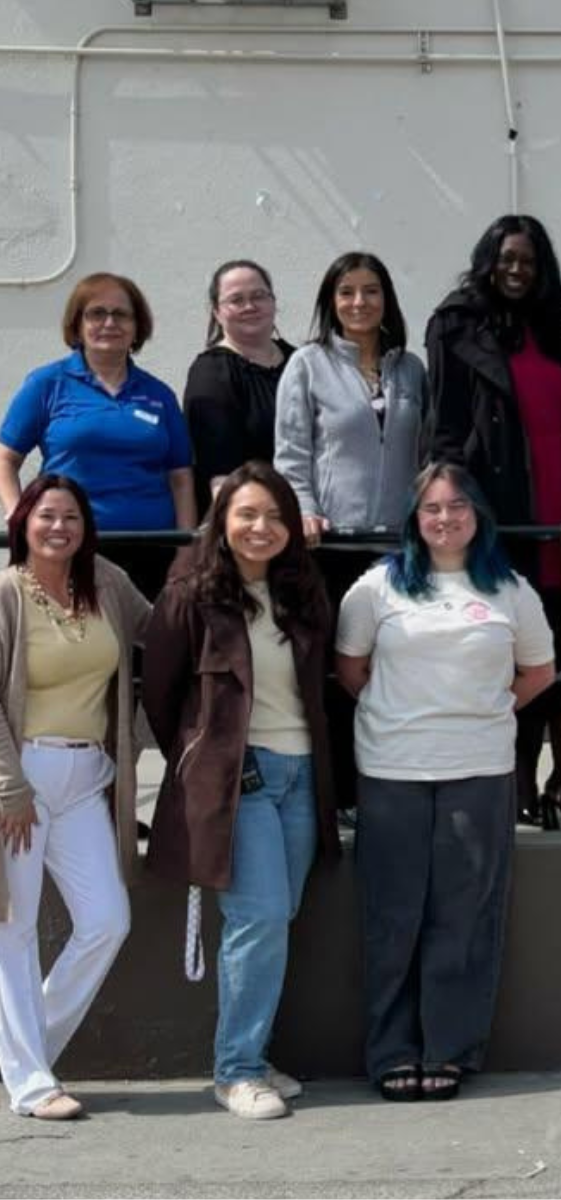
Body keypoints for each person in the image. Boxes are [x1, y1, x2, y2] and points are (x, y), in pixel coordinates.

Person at [335, 463, 553, 1102]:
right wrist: (398, 713)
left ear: (477, 514)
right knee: (393, 916)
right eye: (431, 508)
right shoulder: (377, 588)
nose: (445, 518)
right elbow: (350, 669)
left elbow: (538, 673)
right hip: (392, 771)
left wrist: (483, 709)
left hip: (479, 770)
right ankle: (393, 1051)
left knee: (463, 916)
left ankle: (448, 1048)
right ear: (414, 518)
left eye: (457, 506)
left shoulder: (511, 590)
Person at [142, 462, 338, 1120]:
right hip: (241, 780)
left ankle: (250, 1052)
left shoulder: (302, 590)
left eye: (275, 516)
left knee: (273, 920)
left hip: (301, 775)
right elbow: (161, 696)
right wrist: (207, 763)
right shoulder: (189, 592)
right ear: (222, 520)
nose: (261, 527)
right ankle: (237, 1070)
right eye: (247, 514)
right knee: (256, 919)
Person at [424, 215, 561, 834]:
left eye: (528, 260)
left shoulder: (556, 333)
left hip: (559, 506)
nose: (517, 269)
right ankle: (520, 777)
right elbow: (445, 424)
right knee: (509, 646)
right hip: (498, 506)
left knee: (558, 645)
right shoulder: (455, 324)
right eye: (507, 257)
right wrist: (454, 505)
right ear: (488, 259)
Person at [0, 475, 149, 1120]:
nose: (59, 528)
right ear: (23, 521)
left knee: (107, 920)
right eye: (46, 516)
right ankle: (31, 1082)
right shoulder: (6, 593)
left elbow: (166, 631)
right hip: (21, 778)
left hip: (88, 776)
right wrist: (8, 787)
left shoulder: (107, 583)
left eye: (72, 518)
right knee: (15, 928)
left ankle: (22, 1055)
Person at [0, 273, 194, 599]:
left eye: (121, 314)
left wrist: (186, 547)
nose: (109, 322)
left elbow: (181, 477)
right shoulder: (48, 384)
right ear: (77, 325)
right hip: (68, 550)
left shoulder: (158, 394)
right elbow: (5, 459)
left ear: (136, 327)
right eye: (96, 313)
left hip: (152, 551)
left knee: (145, 649)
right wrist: (20, 517)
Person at [274, 251, 427, 538]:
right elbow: (291, 456)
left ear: (386, 299)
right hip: (333, 538)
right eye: (346, 292)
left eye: (371, 291)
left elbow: (427, 454)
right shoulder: (307, 364)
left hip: (401, 540)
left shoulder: (411, 368)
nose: (359, 302)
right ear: (332, 301)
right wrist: (305, 510)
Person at [185, 260, 295, 515]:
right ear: (216, 312)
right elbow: (219, 473)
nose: (250, 306)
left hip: (313, 519)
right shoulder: (211, 373)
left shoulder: (302, 362)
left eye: (259, 296)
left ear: (273, 302)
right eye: (236, 300)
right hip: (253, 519)